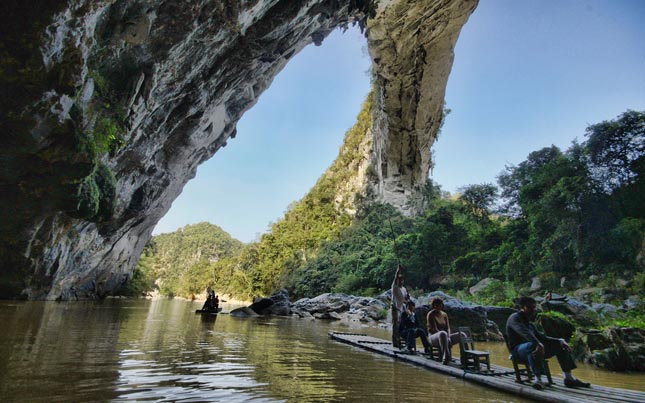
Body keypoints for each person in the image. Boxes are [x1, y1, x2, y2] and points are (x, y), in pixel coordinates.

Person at [506, 296, 590, 390]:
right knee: (534, 345)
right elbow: (523, 332)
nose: (533, 310)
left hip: (532, 348)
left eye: (534, 307)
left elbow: (542, 337)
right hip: (518, 351)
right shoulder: (514, 318)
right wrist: (538, 343)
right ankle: (538, 380)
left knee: (560, 345)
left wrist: (559, 340)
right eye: (530, 308)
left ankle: (569, 378)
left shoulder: (530, 324)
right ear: (523, 307)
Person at [426, 297, 462, 364]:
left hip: (445, 336)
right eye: (437, 305)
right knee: (442, 333)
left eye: (440, 305)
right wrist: (445, 335)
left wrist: (448, 336)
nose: (439, 306)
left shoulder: (444, 314)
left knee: (462, 335)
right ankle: (445, 357)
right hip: (433, 337)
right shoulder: (431, 314)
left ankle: (464, 357)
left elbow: (448, 328)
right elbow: (434, 329)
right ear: (434, 306)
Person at [391, 265, 409, 348]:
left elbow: (406, 299)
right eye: (399, 280)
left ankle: (401, 341)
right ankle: (396, 342)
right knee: (395, 326)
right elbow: (395, 277)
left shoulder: (404, 289)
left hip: (402, 308)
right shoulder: (394, 287)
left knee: (401, 325)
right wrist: (398, 270)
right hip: (395, 308)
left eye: (401, 280)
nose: (400, 281)